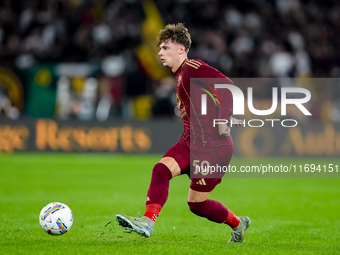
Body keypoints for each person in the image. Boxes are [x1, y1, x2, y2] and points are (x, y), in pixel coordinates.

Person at [116, 23, 250, 243]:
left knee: (197, 205)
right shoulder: (179, 75)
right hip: (190, 141)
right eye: (159, 48)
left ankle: (238, 223)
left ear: (181, 49)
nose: (159, 52)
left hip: (214, 147)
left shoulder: (193, 68)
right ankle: (147, 221)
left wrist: (222, 119)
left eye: (165, 47)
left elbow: (227, 86)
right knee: (160, 170)